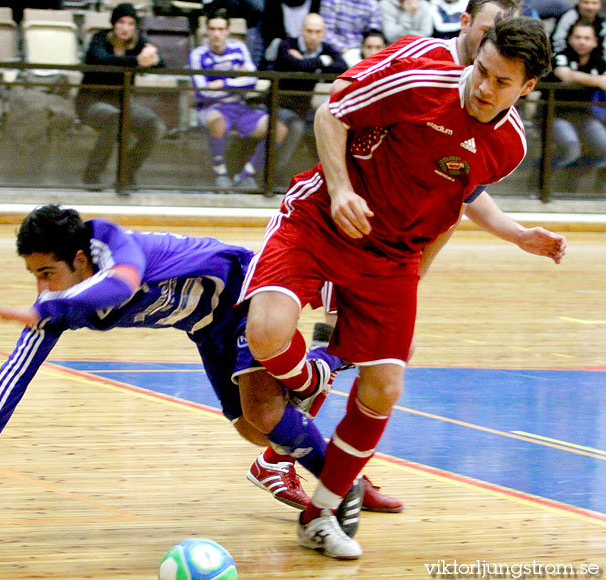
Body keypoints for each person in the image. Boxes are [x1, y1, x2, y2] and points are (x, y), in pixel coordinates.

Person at [241, 17, 565, 559]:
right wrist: (342, 189)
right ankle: (315, 372)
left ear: (527, 87)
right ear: (475, 51)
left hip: (391, 256)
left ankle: (321, 514)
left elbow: (451, 206)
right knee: (267, 334)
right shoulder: (419, 81)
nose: (485, 87)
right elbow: (331, 113)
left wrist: (512, 236)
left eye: (502, 82)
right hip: (323, 218)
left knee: (385, 388)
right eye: (482, 70)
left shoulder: (509, 146)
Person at [0, 204, 394, 529]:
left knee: (267, 413)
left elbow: (121, 286)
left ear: (80, 258)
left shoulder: (113, 243)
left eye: (47, 273)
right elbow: (19, 364)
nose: (42, 288)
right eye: (35, 278)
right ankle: (324, 379)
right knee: (255, 430)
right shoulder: (60, 302)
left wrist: (47, 309)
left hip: (244, 291)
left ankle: (340, 460)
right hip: (208, 327)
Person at [190, 7, 288, 190]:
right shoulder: (198, 54)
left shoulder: (239, 48)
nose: (216, 34)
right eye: (212, 29)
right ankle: (221, 175)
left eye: (221, 29)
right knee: (217, 123)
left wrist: (221, 82)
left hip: (240, 107)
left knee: (279, 129)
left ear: (227, 31)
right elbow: (203, 91)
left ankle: (245, 175)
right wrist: (236, 79)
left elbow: (252, 81)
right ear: (206, 31)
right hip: (211, 108)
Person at [75, 3, 166, 191]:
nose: (126, 28)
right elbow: (101, 59)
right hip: (91, 102)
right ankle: (92, 173)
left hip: (122, 102)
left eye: (131, 24)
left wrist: (153, 58)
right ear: (114, 24)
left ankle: (126, 172)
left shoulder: (137, 43)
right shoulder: (99, 39)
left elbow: (161, 65)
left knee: (155, 126)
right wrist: (137, 61)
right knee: (115, 118)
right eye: (121, 23)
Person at [546, 20, 606, 170]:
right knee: (571, 149)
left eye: (586, 38)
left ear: (595, 42)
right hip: (555, 115)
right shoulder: (560, 56)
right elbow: (565, 75)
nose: (582, 42)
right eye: (578, 37)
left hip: (584, 116)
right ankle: (544, 179)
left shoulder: (598, 61)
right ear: (570, 39)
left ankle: (577, 176)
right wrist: (597, 80)